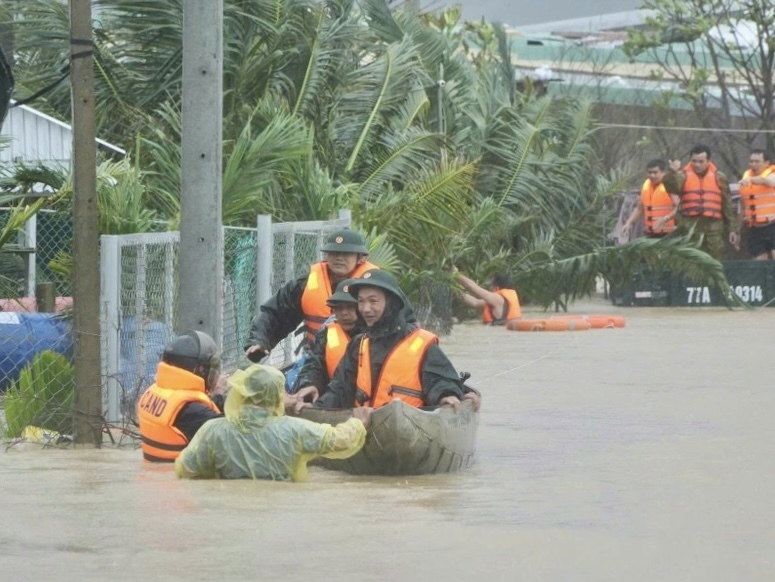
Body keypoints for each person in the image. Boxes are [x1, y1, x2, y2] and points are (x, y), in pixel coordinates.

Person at [297, 269, 477, 413]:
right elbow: (339, 389)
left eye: (373, 301)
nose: (366, 309)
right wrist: (315, 409)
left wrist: (447, 395)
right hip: (365, 428)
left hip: (411, 430)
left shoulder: (422, 343)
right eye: (361, 301)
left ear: (391, 303)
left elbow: (440, 380)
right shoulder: (358, 344)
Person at [174, 364, 370, 481]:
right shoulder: (295, 429)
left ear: (242, 393)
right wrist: (358, 422)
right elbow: (339, 440)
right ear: (277, 397)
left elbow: (186, 469)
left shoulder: (213, 431)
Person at [244, 229, 377, 362]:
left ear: (360, 258)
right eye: (334, 253)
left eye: (346, 254)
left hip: (364, 358)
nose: (339, 258)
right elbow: (275, 313)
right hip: (317, 359)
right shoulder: (306, 283)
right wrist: (259, 340)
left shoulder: (376, 286)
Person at [137, 331, 225, 462]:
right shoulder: (193, 411)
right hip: (175, 473)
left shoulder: (160, 391)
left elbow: (208, 403)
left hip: (156, 471)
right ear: (200, 370)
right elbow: (237, 437)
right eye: (213, 368)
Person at [662, 144, 739, 260]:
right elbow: (672, 188)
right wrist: (672, 173)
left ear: (708, 161)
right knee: (692, 260)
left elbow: (727, 205)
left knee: (715, 260)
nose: (697, 164)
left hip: (714, 228)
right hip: (690, 227)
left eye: (701, 161)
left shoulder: (719, 177)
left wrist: (733, 229)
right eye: (694, 161)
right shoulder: (682, 176)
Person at [292, 279, 362, 405]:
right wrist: (309, 384)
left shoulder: (373, 335)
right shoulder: (326, 334)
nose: (344, 313)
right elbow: (314, 365)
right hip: (333, 400)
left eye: (350, 307)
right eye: (339, 308)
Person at [621, 159, 680, 239]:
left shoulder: (670, 185)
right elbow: (639, 208)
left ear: (663, 173)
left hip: (668, 234)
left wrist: (666, 218)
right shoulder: (646, 185)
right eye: (650, 172)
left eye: (655, 173)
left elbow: (679, 207)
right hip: (649, 234)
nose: (652, 175)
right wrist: (628, 223)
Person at [738, 149, 775, 260]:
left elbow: (766, 181)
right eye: (751, 161)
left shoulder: (772, 175)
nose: (753, 164)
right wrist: (736, 230)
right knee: (759, 261)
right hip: (755, 228)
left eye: (757, 161)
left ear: (766, 163)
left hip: (772, 225)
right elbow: (742, 208)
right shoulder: (745, 180)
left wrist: (750, 179)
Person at [454, 268, 521, 325]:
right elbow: (474, 302)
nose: (489, 287)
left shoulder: (498, 299)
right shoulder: (497, 302)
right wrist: (455, 288)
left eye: (491, 285)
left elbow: (473, 287)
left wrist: (457, 275)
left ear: (496, 288)